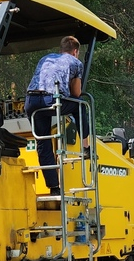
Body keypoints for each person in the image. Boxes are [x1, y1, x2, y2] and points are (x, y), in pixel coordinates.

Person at [24, 35, 91, 198]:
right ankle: (86, 146)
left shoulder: (46, 58)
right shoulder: (76, 63)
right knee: (80, 104)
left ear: (61, 49)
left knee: (43, 142)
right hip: (51, 99)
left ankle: (53, 186)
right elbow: (76, 93)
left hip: (31, 101)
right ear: (76, 51)